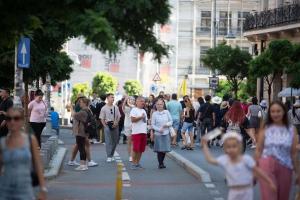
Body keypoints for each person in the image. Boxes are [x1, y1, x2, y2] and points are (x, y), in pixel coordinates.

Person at [202, 132, 276, 200]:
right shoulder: (224, 160)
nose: (231, 149)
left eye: (234, 146)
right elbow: (210, 159)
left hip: (246, 191)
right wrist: (205, 146)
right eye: (228, 147)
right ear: (225, 149)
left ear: (240, 147)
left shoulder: (246, 159)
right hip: (233, 192)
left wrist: (269, 182)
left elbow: (257, 171)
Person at [255, 101, 300, 200]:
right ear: (269, 113)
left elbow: (293, 153)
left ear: (283, 112)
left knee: (283, 197)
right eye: (272, 111)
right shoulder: (265, 129)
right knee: (269, 196)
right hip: (266, 165)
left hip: (286, 166)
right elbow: (258, 150)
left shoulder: (292, 130)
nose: (275, 114)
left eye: (278, 111)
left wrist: (298, 172)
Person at [0, 107, 47, 200]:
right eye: (9, 119)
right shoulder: (2, 142)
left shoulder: (30, 139)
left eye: (16, 118)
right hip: (5, 190)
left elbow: (38, 165)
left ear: (22, 121)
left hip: (25, 190)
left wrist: (43, 189)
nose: (12, 121)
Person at [72, 97, 93, 171]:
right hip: (85, 131)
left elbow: (74, 115)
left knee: (81, 148)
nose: (79, 104)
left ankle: (83, 165)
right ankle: (83, 164)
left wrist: (72, 108)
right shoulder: (88, 110)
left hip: (81, 131)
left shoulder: (83, 112)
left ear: (84, 103)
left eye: (80, 102)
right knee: (82, 147)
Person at [151, 99, 172, 169]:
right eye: (158, 104)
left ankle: (162, 162)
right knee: (159, 149)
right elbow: (153, 125)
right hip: (158, 134)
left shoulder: (167, 112)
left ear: (163, 105)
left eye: (161, 104)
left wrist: (166, 125)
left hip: (166, 133)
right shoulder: (154, 114)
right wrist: (159, 129)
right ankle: (160, 163)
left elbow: (171, 121)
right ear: (156, 105)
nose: (159, 106)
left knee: (164, 149)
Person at [100, 93, 121, 162]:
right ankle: (109, 156)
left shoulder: (116, 107)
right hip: (107, 126)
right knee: (108, 141)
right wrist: (105, 127)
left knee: (115, 141)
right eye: (111, 97)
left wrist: (116, 122)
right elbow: (102, 119)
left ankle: (111, 154)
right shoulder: (104, 108)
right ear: (107, 98)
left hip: (115, 125)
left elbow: (119, 116)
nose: (113, 99)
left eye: (113, 97)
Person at [130, 97, 148, 169]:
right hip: (136, 132)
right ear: (136, 102)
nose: (143, 103)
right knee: (135, 149)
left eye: (143, 101)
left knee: (141, 149)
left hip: (144, 132)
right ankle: (133, 164)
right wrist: (141, 117)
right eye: (141, 101)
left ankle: (137, 163)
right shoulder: (134, 110)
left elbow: (145, 121)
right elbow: (132, 120)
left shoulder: (144, 110)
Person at [123, 96, 135, 161]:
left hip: (134, 126)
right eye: (130, 99)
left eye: (133, 99)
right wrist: (125, 100)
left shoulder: (135, 108)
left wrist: (128, 101)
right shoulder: (126, 108)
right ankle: (130, 156)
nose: (132, 100)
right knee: (129, 141)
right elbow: (123, 107)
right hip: (127, 125)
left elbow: (133, 107)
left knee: (134, 141)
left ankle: (133, 155)